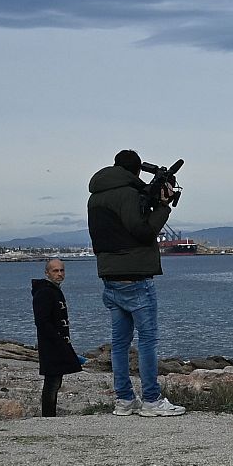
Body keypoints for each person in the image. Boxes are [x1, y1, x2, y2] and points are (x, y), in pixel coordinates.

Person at [87, 149, 185, 417]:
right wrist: (162, 206)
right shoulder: (128, 193)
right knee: (147, 341)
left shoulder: (95, 196)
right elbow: (142, 231)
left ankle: (125, 400)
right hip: (136, 278)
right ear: (137, 170)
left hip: (110, 277)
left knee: (119, 344)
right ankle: (151, 400)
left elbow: (119, 229)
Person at [31, 258, 84, 416]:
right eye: (55, 271)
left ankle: (50, 415)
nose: (59, 274)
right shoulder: (44, 292)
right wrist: (58, 341)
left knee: (56, 381)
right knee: (52, 382)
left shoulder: (53, 290)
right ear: (47, 273)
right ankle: (48, 416)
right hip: (51, 344)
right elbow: (42, 322)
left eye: (62, 270)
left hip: (56, 343)